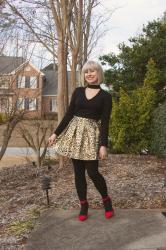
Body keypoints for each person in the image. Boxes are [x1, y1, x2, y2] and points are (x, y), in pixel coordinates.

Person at [48, 60, 114, 221]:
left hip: (91, 136)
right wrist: (55, 133)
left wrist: (103, 145)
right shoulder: (78, 92)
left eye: (93, 71)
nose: (89, 74)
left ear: (99, 73)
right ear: (84, 75)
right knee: (78, 173)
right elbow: (69, 114)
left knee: (93, 172)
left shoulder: (106, 96)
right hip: (75, 134)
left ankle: (106, 200)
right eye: (86, 72)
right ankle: (84, 205)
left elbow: (105, 122)